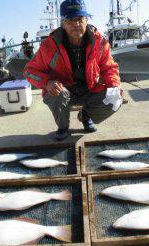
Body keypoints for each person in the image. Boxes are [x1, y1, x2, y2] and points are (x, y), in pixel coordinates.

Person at [25, 0, 122, 141]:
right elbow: (29, 71)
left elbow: (109, 67)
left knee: (115, 97)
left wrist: (114, 85)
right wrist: (47, 83)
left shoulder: (99, 41)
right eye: (70, 20)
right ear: (63, 24)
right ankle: (63, 126)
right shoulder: (49, 45)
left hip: (90, 89)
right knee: (57, 92)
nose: (76, 24)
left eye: (80, 19)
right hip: (64, 91)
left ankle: (85, 115)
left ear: (86, 20)